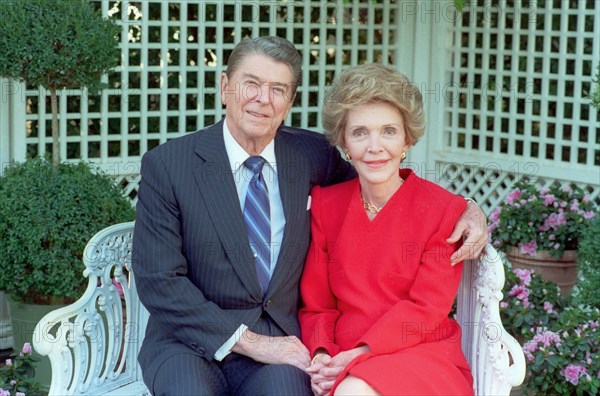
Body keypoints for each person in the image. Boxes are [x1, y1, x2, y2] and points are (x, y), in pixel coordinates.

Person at [132, 36, 484, 395]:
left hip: (282, 343)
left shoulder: (313, 155)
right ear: (225, 87)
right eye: (250, 84)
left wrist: (470, 209)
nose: (262, 99)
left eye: (278, 89)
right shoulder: (169, 166)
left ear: (290, 102)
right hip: (190, 344)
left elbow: (385, 183)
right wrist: (253, 343)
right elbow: (159, 281)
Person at [299, 64, 475, 396]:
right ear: (344, 143)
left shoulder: (443, 210)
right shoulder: (326, 205)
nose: (374, 146)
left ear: (407, 138)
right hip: (343, 354)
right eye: (360, 132)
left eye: (389, 131)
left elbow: (426, 310)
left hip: (421, 355)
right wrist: (322, 355)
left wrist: (357, 357)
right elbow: (318, 305)